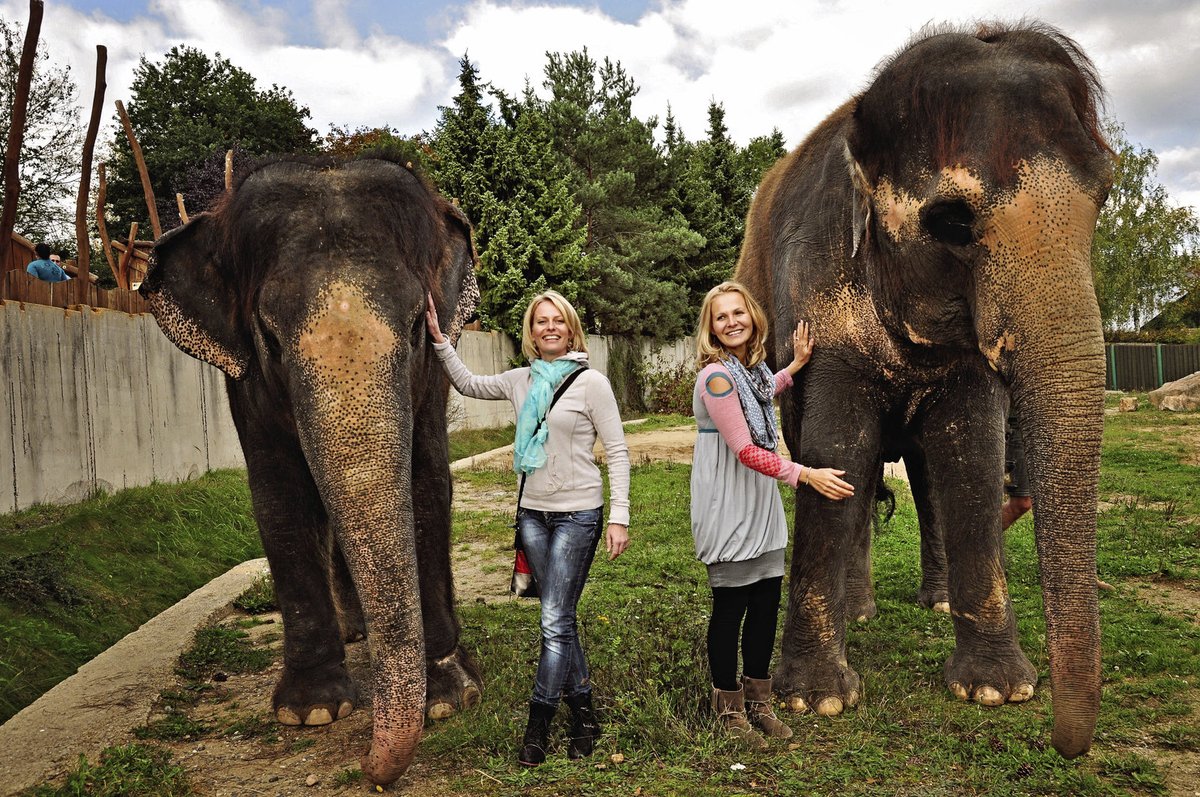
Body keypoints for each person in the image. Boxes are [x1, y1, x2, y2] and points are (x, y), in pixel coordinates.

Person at [425, 289, 630, 766]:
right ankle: (584, 715)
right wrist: (439, 340)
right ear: (531, 333)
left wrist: (619, 515)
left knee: (554, 621)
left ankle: (537, 727)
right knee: (562, 620)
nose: (550, 328)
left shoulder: (591, 383)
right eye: (541, 322)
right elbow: (469, 382)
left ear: (571, 328)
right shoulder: (520, 380)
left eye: (558, 320)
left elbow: (617, 451)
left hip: (580, 513)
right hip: (533, 515)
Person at [690, 281, 853, 747]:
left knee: (763, 606)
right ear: (711, 328)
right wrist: (807, 475)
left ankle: (758, 703)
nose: (731, 322)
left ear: (752, 317)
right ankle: (729, 710)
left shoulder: (750, 371)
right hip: (729, 502)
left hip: (759, 500)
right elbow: (744, 449)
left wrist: (796, 366)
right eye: (721, 317)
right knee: (731, 608)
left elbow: (766, 389)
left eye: (738, 312)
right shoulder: (717, 377)